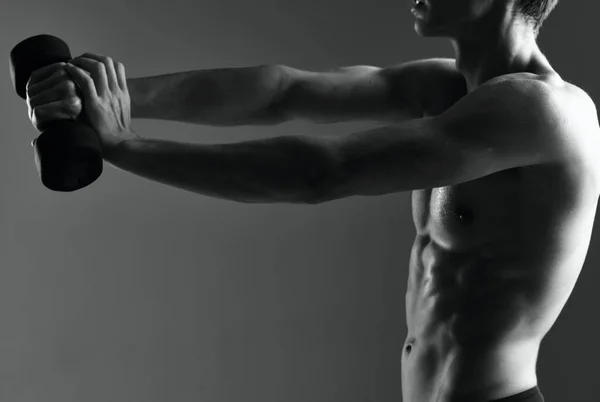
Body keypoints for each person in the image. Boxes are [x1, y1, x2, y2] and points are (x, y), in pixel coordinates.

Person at [24, 0, 598, 400]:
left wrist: (124, 145)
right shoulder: (446, 87)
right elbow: (283, 91)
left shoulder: (538, 112)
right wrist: (97, 96)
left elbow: (324, 172)